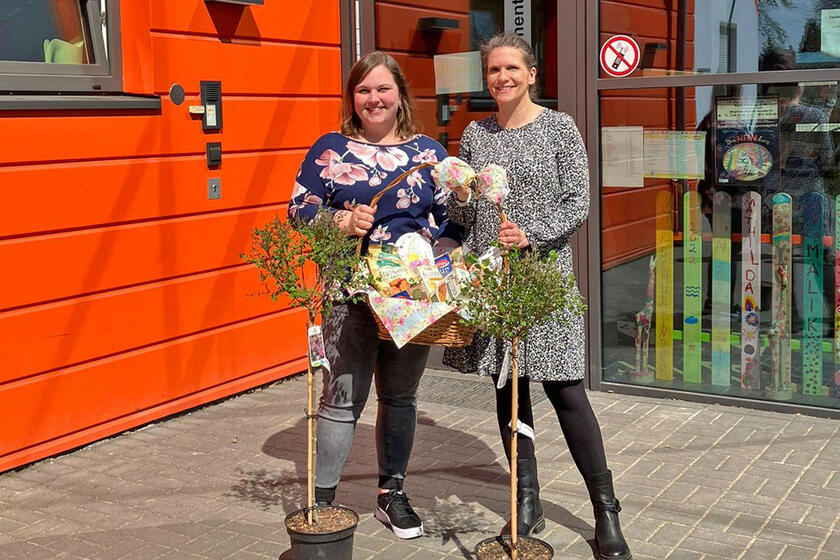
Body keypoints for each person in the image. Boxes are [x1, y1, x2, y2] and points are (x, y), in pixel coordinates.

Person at [443, 33, 632, 560]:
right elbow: (465, 218)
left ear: (531, 74)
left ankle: (605, 510)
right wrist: (458, 198)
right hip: (493, 284)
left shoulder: (559, 128)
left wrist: (532, 231)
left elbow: (578, 203)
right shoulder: (475, 136)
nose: (501, 78)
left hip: (543, 278)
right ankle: (526, 498)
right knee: (509, 392)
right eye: (492, 71)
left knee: (567, 392)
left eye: (510, 68)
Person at [288, 51, 458, 539]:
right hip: (349, 291)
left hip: (413, 296)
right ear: (352, 98)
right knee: (341, 399)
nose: (374, 99)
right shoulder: (330, 148)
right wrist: (337, 220)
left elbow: (452, 220)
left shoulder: (430, 153)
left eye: (383, 89)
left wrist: (439, 255)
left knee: (401, 397)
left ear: (400, 94)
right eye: (364, 90)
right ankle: (322, 503)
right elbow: (298, 210)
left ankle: (392, 495)